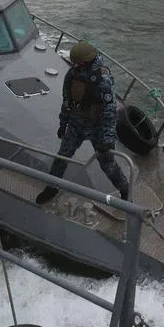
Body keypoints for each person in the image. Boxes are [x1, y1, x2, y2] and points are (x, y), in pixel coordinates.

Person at [36, 40, 130, 204]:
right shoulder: (72, 75)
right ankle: (52, 187)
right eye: (74, 64)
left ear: (87, 62)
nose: (75, 66)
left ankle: (124, 189)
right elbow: (67, 101)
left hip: (97, 127)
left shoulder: (103, 79)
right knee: (62, 157)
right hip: (76, 125)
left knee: (107, 163)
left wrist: (107, 140)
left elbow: (109, 111)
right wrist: (63, 123)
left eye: (78, 63)